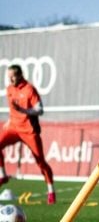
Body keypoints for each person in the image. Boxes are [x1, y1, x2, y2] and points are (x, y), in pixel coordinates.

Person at [0, 64, 55, 204]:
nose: (10, 79)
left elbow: (40, 110)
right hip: (13, 128)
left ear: (20, 75)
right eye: (8, 77)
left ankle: (51, 191)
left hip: (28, 130)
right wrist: (9, 122)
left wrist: (24, 111)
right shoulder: (9, 89)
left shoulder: (29, 89)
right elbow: (13, 110)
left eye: (13, 76)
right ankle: (2, 175)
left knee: (40, 162)